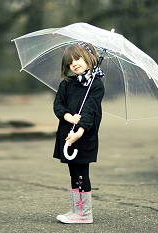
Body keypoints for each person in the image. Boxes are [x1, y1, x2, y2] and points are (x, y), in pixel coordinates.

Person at [53, 42, 105, 224]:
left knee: (82, 172)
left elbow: (90, 111)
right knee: (73, 173)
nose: (74, 64)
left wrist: (80, 129)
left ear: (89, 58)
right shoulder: (66, 84)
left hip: (83, 137)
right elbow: (58, 105)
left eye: (78, 58)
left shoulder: (96, 85)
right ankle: (76, 210)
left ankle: (85, 213)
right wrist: (68, 117)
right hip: (68, 135)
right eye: (70, 62)